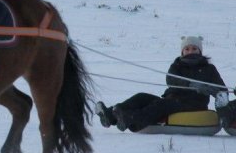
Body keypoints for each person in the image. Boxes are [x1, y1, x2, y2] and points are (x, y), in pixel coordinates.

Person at [95, 36, 226, 132]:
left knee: (160, 105)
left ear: (200, 51)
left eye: (194, 48)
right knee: (141, 97)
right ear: (182, 52)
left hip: (193, 104)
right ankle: (110, 115)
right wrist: (191, 84)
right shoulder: (177, 65)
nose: (190, 51)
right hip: (172, 99)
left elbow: (222, 91)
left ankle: (130, 119)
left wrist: (209, 89)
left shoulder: (209, 69)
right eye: (187, 49)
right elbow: (171, 80)